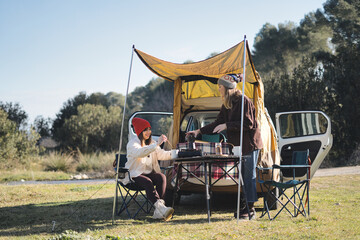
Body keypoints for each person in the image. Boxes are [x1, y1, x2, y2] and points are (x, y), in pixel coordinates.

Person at [186, 74, 263, 220]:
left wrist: (227, 125)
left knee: (248, 177)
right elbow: (217, 123)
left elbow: (249, 124)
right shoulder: (227, 105)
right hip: (238, 145)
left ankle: (250, 210)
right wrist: (198, 131)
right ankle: (245, 206)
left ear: (227, 88)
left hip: (250, 144)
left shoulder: (243, 101)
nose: (219, 89)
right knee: (242, 177)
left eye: (220, 87)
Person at [123, 117, 174, 221]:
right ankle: (161, 208)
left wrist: (176, 153)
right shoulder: (132, 144)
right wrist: (157, 144)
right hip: (134, 175)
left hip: (148, 173)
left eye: (149, 129)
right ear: (139, 131)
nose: (148, 132)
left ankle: (159, 211)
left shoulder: (151, 143)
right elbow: (141, 152)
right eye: (145, 129)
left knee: (161, 177)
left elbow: (162, 155)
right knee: (148, 181)